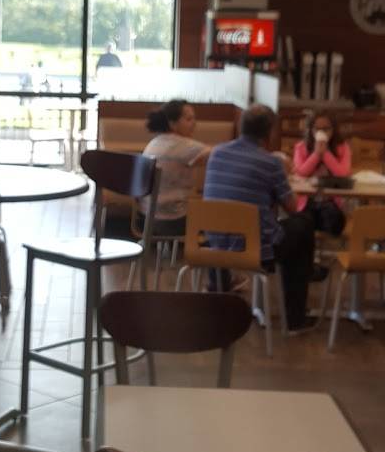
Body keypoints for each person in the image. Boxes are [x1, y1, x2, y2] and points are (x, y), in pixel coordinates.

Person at [203, 104, 315, 332]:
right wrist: (284, 174)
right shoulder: (271, 163)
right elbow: (292, 207)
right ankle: (295, 318)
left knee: (289, 231)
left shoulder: (217, 153)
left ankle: (219, 289)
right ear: (270, 132)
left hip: (213, 244)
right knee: (304, 225)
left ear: (240, 126)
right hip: (255, 248)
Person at [142, 99, 209, 236]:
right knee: (223, 215)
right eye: (189, 119)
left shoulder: (155, 142)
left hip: (147, 217)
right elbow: (220, 156)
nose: (195, 123)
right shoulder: (184, 145)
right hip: (173, 220)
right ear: (172, 124)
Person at [293, 112, 351, 236]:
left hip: (331, 200)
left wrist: (325, 154)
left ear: (333, 130)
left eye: (326, 129)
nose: (321, 132)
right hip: (307, 201)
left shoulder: (343, 147)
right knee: (302, 223)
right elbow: (301, 172)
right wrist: (316, 154)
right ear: (311, 130)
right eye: (317, 129)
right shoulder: (301, 147)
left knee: (334, 220)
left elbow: (342, 174)